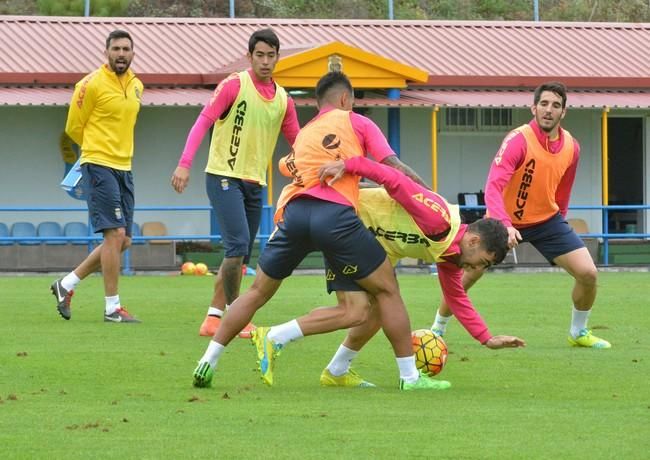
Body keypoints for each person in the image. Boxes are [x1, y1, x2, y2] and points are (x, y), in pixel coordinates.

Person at [192, 71, 448, 391]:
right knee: (387, 291)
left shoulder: (305, 133)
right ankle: (410, 378)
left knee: (261, 292)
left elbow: (288, 166)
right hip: (335, 219)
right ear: (345, 99)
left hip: (295, 215)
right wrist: (430, 197)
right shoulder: (359, 122)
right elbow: (393, 168)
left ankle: (208, 360)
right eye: (351, 101)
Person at [316, 156, 526, 388]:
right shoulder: (439, 218)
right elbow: (393, 177)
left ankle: (336, 371)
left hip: (365, 238)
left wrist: (486, 338)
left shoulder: (449, 253)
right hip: (344, 219)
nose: (478, 269)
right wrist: (349, 165)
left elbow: (456, 297)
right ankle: (276, 337)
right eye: (483, 262)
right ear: (474, 241)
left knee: (375, 309)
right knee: (361, 309)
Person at [433, 81, 610, 349]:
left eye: (555, 105)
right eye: (544, 104)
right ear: (534, 108)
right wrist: (504, 224)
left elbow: (563, 189)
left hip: (547, 222)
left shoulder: (572, 147)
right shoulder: (519, 139)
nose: (549, 110)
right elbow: (494, 184)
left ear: (564, 112)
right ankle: (438, 328)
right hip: (505, 221)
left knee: (588, 274)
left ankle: (578, 332)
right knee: (468, 274)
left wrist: (560, 221)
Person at [171, 28, 300, 339]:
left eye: (271, 56)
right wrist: (184, 164)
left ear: (278, 58)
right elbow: (203, 121)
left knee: (240, 254)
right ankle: (235, 316)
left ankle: (213, 318)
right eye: (260, 55)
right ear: (249, 56)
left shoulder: (283, 100)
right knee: (238, 246)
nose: (265, 62)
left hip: (255, 184)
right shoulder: (234, 85)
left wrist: (308, 169)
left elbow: (299, 142)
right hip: (223, 176)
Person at [50, 29, 143, 323]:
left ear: (132, 53)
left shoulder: (138, 85)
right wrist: (93, 151)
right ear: (106, 52)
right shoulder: (89, 84)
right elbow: (74, 128)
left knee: (123, 240)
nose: (121, 54)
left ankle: (66, 285)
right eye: (116, 48)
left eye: (126, 49)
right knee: (114, 235)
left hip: (125, 168)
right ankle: (112, 308)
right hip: (98, 164)